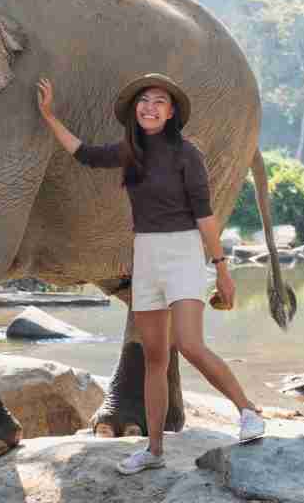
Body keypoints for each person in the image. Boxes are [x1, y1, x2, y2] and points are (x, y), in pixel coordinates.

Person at [36, 73, 265, 475]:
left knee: (190, 345)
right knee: (154, 357)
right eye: (144, 101)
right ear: (135, 112)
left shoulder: (186, 153)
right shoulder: (130, 152)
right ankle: (154, 450)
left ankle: (248, 411)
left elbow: (204, 215)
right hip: (145, 256)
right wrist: (48, 115)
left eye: (159, 101)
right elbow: (83, 153)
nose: (150, 107)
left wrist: (222, 269)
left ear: (172, 112)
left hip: (182, 253)